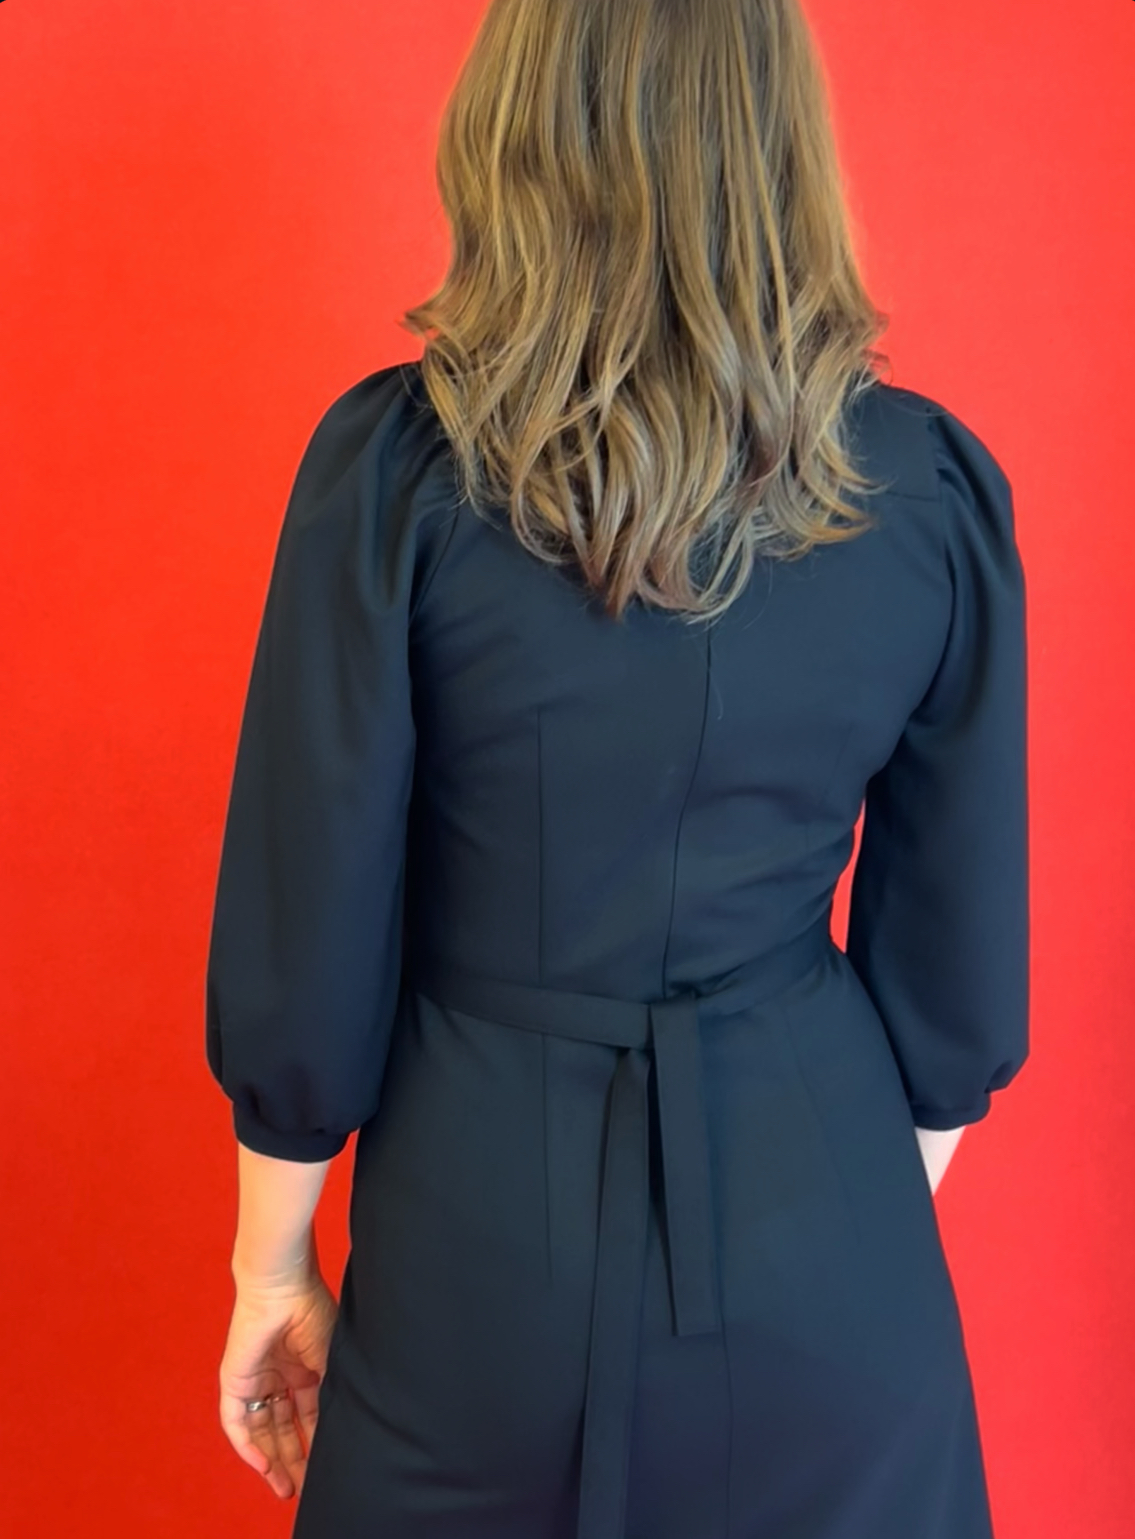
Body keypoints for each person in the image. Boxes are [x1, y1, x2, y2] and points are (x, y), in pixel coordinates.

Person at [205, 0, 1030, 1534]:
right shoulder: (926, 486)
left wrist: (273, 1269)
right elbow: (958, 982)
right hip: (827, 1220)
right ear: (782, 145)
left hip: (476, 1233)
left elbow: (309, 926)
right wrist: (821, 1225)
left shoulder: (399, 474)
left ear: (512, 130)